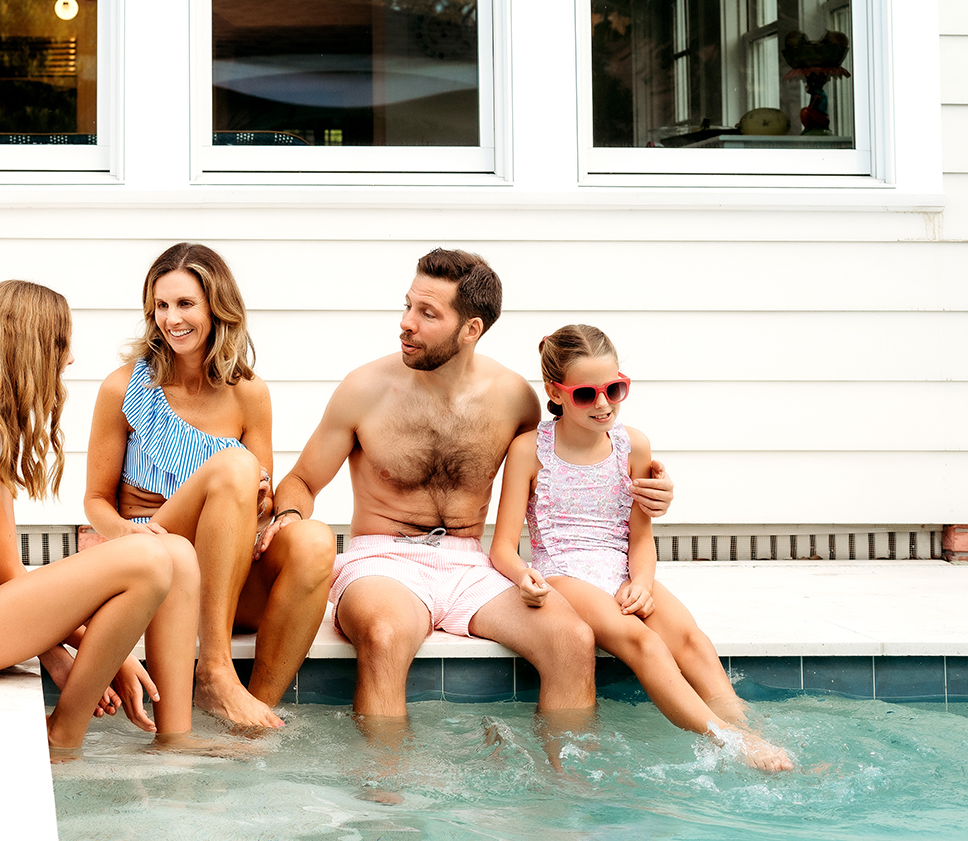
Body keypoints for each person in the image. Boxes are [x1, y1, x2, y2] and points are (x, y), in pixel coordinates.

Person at [271, 249, 676, 741]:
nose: (406, 324)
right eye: (407, 306)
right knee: (385, 636)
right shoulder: (365, 389)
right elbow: (302, 481)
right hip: (384, 556)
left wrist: (648, 493)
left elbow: (576, 457)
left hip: (472, 565)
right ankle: (387, 805)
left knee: (571, 639)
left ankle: (565, 802)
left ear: (471, 329)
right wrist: (289, 516)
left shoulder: (512, 398)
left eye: (428, 313)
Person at [0, 279, 241, 760]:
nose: (69, 359)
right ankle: (63, 736)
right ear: (29, 348)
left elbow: (4, 583)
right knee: (148, 556)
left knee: (173, 550)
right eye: (62, 344)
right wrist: (102, 655)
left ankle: (174, 735)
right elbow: (6, 575)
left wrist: (89, 649)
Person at [489, 325, 794, 772]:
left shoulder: (633, 446)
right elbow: (502, 548)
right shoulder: (529, 451)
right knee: (643, 643)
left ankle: (757, 735)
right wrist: (524, 578)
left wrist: (644, 582)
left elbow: (639, 536)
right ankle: (729, 742)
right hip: (565, 572)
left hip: (622, 569)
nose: (603, 404)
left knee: (694, 642)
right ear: (556, 392)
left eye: (615, 389)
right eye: (586, 394)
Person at [83, 244, 337, 730]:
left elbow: (255, 506)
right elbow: (95, 500)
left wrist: (266, 513)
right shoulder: (124, 387)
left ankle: (250, 715)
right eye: (161, 306)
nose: (171, 319)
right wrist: (122, 532)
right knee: (237, 466)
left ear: (216, 308)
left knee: (315, 540)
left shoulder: (250, 394)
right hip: (155, 556)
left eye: (185, 304)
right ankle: (215, 671)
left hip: (223, 573)